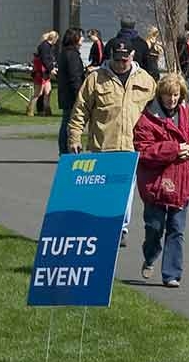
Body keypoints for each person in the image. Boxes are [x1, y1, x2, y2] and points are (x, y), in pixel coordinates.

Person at [68, 40, 159, 245]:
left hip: (132, 147)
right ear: (110, 57)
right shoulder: (95, 79)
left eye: (124, 59)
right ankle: (101, 225)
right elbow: (80, 110)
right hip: (103, 145)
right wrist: (74, 137)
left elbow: (157, 114)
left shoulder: (146, 80)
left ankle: (120, 229)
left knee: (125, 191)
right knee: (102, 190)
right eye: (116, 59)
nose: (120, 64)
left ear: (132, 56)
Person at [134, 74, 189, 287]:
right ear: (160, 94)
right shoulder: (146, 119)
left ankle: (171, 274)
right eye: (168, 95)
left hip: (182, 181)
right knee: (154, 227)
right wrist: (175, 149)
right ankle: (150, 256)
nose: (172, 99)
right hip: (156, 183)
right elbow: (144, 151)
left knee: (176, 229)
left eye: (176, 95)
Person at [54, 28, 89, 155]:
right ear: (75, 38)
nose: (83, 39)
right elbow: (75, 77)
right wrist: (79, 94)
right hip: (71, 94)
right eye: (81, 36)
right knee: (70, 122)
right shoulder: (72, 55)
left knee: (67, 121)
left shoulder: (66, 53)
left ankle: (64, 150)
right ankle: (66, 150)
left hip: (65, 93)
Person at [29, 30, 60, 117]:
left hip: (45, 73)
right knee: (38, 93)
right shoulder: (44, 46)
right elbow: (45, 59)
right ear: (54, 38)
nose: (56, 41)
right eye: (56, 39)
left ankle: (47, 110)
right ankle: (30, 109)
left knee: (48, 91)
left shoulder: (48, 46)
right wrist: (51, 69)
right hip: (40, 73)